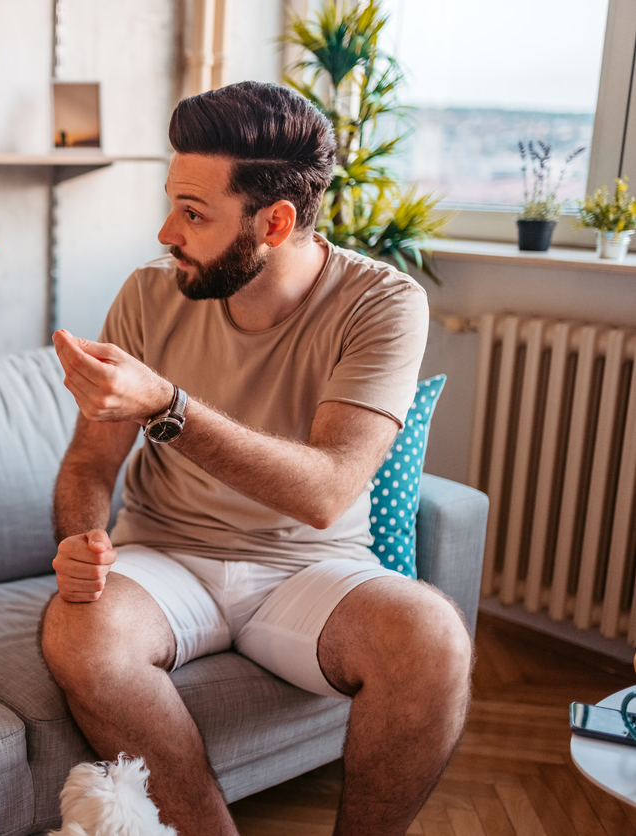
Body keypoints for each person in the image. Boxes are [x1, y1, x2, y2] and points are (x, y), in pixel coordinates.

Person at [40, 82, 472, 836]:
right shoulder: (148, 295)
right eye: (172, 202)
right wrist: (80, 540)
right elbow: (88, 465)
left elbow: (328, 490)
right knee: (81, 631)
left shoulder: (381, 303)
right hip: (166, 558)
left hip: (311, 568)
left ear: (273, 222)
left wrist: (166, 407)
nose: (165, 230)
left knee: (431, 637)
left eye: (194, 213)